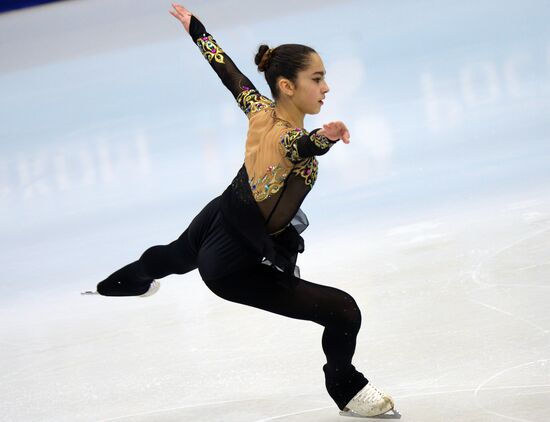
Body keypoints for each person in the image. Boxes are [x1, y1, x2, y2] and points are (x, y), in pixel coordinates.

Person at [85, 2, 396, 417]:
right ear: (287, 85)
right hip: (233, 266)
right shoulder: (287, 137)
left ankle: (121, 282)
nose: (325, 88)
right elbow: (297, 148)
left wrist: (197, 30)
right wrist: (326, 137)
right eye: (317, 79)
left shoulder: (257, 108)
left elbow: (227, 71)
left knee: (172, 257)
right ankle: (346, 389)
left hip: (221, 213)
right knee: (343, 311)